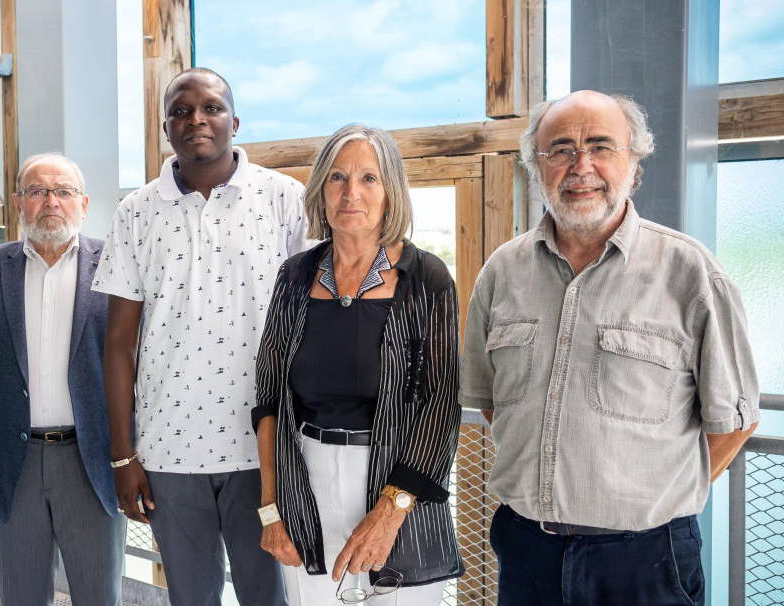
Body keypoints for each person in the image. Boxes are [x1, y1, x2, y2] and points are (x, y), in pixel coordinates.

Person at [459, 90, 759, 606]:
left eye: (601, 146)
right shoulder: (501, 272)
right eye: (560, 149)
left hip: (646, 560)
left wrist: (651, 502)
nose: (581, 166)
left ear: (634, 162)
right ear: (537, 165)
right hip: (526, 548)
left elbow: (735, 422)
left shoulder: (691, 273)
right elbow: (493, 403)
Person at [93, 67, 309, 606]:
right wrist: (124, 457)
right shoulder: (136, 212)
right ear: (166, 128)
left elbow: (315, 324)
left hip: (264, 450)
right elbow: (118, 343)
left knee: (270, 596)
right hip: (167, 452)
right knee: (190, 598)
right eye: (181, 111)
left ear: (235, 121)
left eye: (211, 108)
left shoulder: (286, 200)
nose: (197, 119)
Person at [252, 124, 463, 606]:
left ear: (391, 192)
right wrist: (270, 508)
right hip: (304, 483)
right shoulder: (295, 275)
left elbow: (440, 405)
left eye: (369, 178)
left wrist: (391, 511)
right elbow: (267, 398)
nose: (352, 193)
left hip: (399, 486)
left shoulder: (425, 277)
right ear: (321, 191)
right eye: (337, 178)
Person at [0, 153, 124, 605]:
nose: (51, 200)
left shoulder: (118, 265)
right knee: (21, 596)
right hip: (13, 463)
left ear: (84, 203)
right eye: (37, 191)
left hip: (92, 461)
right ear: (18, 203)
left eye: (64, 191)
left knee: (99, 595)